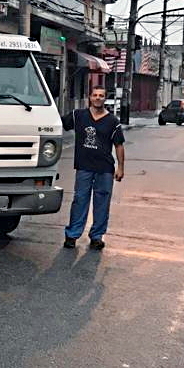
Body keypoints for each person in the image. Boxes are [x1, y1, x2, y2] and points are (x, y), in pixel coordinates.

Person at [61, 85, 125, 250]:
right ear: (90, 97)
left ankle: (97, 236)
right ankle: (72, 235)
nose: (98, 98)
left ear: (105, 98)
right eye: (95, 95)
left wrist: (120, 168)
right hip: (84, 167)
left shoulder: (112, 121)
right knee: (80, 200)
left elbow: (119, 145)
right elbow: (58, 122)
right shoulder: (78, 116)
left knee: (102, 203)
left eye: (101, 95)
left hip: (105, 169)